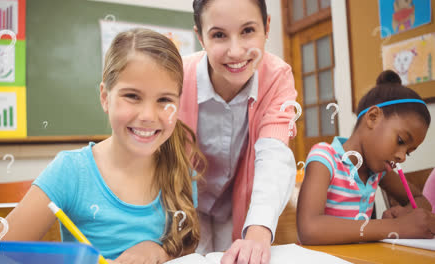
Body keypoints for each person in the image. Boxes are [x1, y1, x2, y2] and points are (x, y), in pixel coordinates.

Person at [0, 28, 206, 263]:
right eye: (132, 96)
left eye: (164, 100)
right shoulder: (71, 171)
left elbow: (183, 253)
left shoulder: (181, 171)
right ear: (105, 97)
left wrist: (157, 250)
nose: (148, 115)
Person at [179, 0, 298, 262]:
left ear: (266, 27)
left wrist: (258, 231)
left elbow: (274, 154)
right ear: (200, 36)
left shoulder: (277, 77)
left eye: (247, 31)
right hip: (183, 203)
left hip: (238, 206)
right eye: (219, 35)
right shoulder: (178, 76)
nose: (235, 52)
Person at [297, 70, 435, 245]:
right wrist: (396, 227)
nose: (402, 157)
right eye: (400, 141)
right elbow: (309, 229)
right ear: (373, 117)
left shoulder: (378, 172)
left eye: (408, 152)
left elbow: (422, 201)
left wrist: (405, 215)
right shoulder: (325, 159)